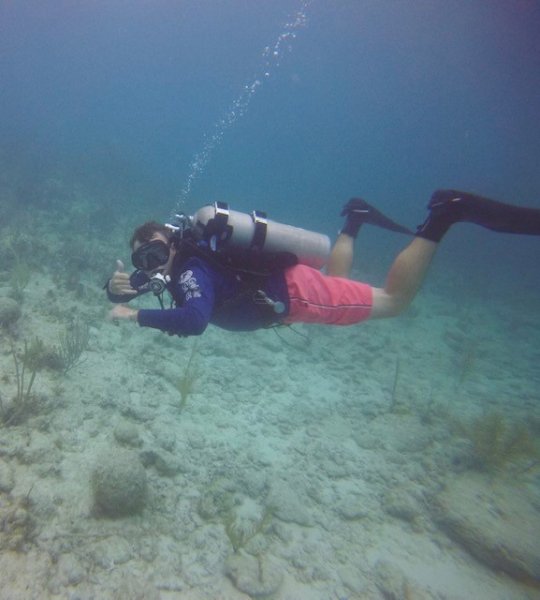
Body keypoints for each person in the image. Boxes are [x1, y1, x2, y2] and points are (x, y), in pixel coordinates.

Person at [106, 190, 540, 335]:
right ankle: (356, 219)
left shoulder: (191, 271)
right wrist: (121, 287)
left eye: (156, 252)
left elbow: (195, 320)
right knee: (337, 278)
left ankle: (444, 214)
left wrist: (135, 316)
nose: (153, 263)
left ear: (172, 242)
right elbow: (156, 282)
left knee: (394, 301)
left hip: (298, 295)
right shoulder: (187, 261)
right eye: (145, 258)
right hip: (290, 288)